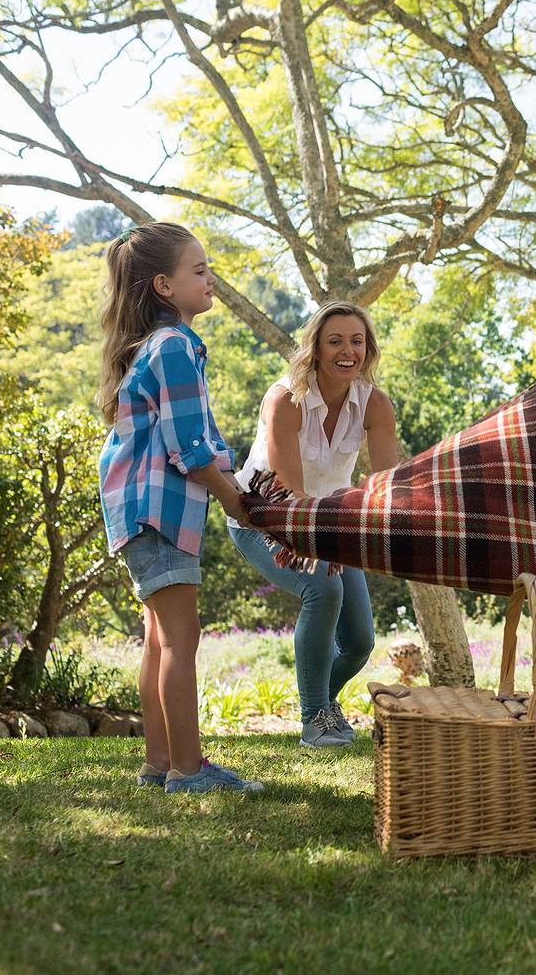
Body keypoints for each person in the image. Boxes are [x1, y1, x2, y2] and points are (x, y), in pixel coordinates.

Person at [97, 222, 263, 795]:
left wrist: (234, 482)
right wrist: (237, 503)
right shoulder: (173, 347)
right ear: (164, 286)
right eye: (199, 269)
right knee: (180, 638)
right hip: (157, 509)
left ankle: (160, 762)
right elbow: (190, 450)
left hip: (142, 510)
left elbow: (200, 443)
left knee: (159, 639)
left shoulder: (164, 347)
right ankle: (189, 772)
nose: (210, 277)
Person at [228, 302, 400, 748]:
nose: (348, 351)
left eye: (357, 341)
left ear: (369, 349)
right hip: (265, 518)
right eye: (336, 341)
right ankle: (313, 720)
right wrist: (327, 545)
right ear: (317, 350)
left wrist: (379, 528)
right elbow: (290, 489)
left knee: (360, 641)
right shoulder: (285, 399)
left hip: (328, 525)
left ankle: (324, 704)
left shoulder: (375, 405)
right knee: (322, 589)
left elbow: (387, 484)